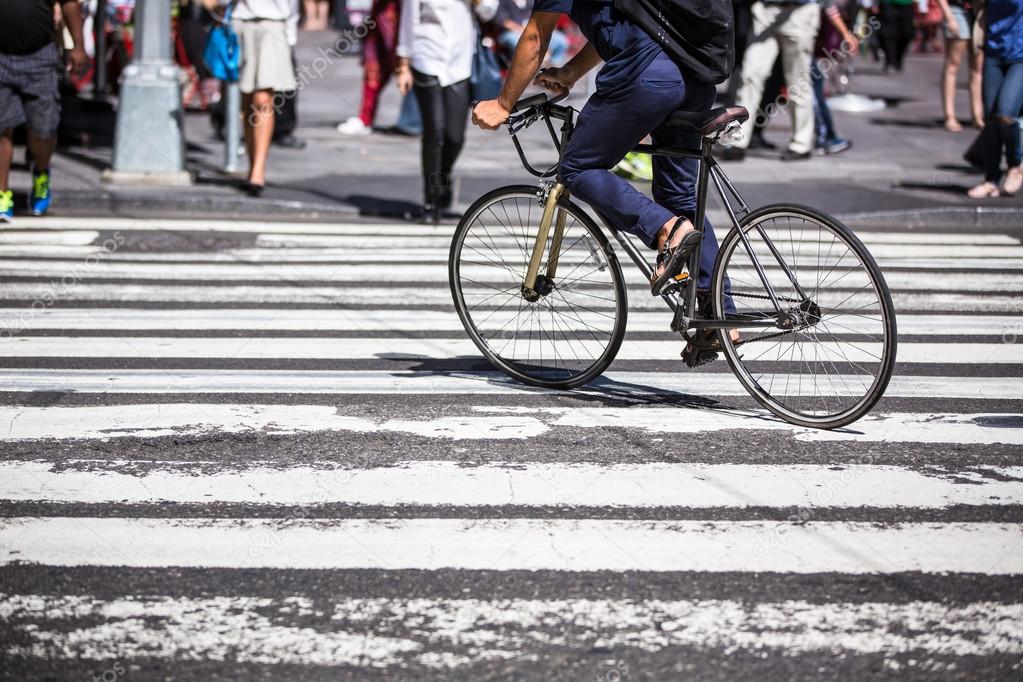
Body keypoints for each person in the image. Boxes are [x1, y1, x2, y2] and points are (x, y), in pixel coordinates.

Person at [471, 0, 739, 328]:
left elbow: (537, 37)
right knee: (680, 199)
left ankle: (665, 231)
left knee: (577, 168)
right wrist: (571, 72)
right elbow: (621, 23)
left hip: (646, 75)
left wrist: (502, 103)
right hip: (694, 76)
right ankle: (718, 318)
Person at [396, 0, 497, 222]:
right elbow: (409, 19)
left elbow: (489, 11)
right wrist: (403, 65)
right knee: (434, 131)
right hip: (426, 57)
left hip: (459, 62)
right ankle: (431, 200)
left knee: (454, 136)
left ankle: (443, 176)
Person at [0, 0, 87, 222]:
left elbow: (70, 3)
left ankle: (41, 172)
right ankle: (2, 194)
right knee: (2, 128)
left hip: (39, 56)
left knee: (44, 129)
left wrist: (78, 45)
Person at [729, 0, 823, 161]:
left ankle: (801, 144)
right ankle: (738, 140)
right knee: (750, 76)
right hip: (766, 10)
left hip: (799, 11)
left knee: (798, 81)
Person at [231, 0, 299, 195]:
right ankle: (252, 164)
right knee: (246, 100)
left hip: (273, 24)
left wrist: (290, 34)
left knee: (262, 100)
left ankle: (258, 170)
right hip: (240, 21)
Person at [968, 0, 1022, 197]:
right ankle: (991, 179)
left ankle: (1016, 164)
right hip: (994, 53)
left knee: (1006, 113)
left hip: (1020, 56)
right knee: (990, 119)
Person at [812, 0, 859, 154]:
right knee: (811, 88)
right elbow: (828, 5)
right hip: (798, 34)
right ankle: (825, 138)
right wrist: (846, 34)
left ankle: (753, 136)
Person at [936, 0, 984, 131]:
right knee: (953, 63)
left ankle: (977, 116)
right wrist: (949, 17)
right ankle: (949, 116)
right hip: (956, 9)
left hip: (980, 10)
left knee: (977, 67)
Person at [495, 0, 568, 66]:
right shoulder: (502, 2)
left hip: (534, 30)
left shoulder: (530, 2)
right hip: (511, 32)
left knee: (561, 41)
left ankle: (549, 66)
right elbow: (504, 22)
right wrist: (523, 30)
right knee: (520, 42)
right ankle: (524, 68)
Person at [879, 0, 916, 71]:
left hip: (906, 3)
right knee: (887, 34)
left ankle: (897, 58)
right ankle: (891, 60)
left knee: (907, 33)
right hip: (888, 3)